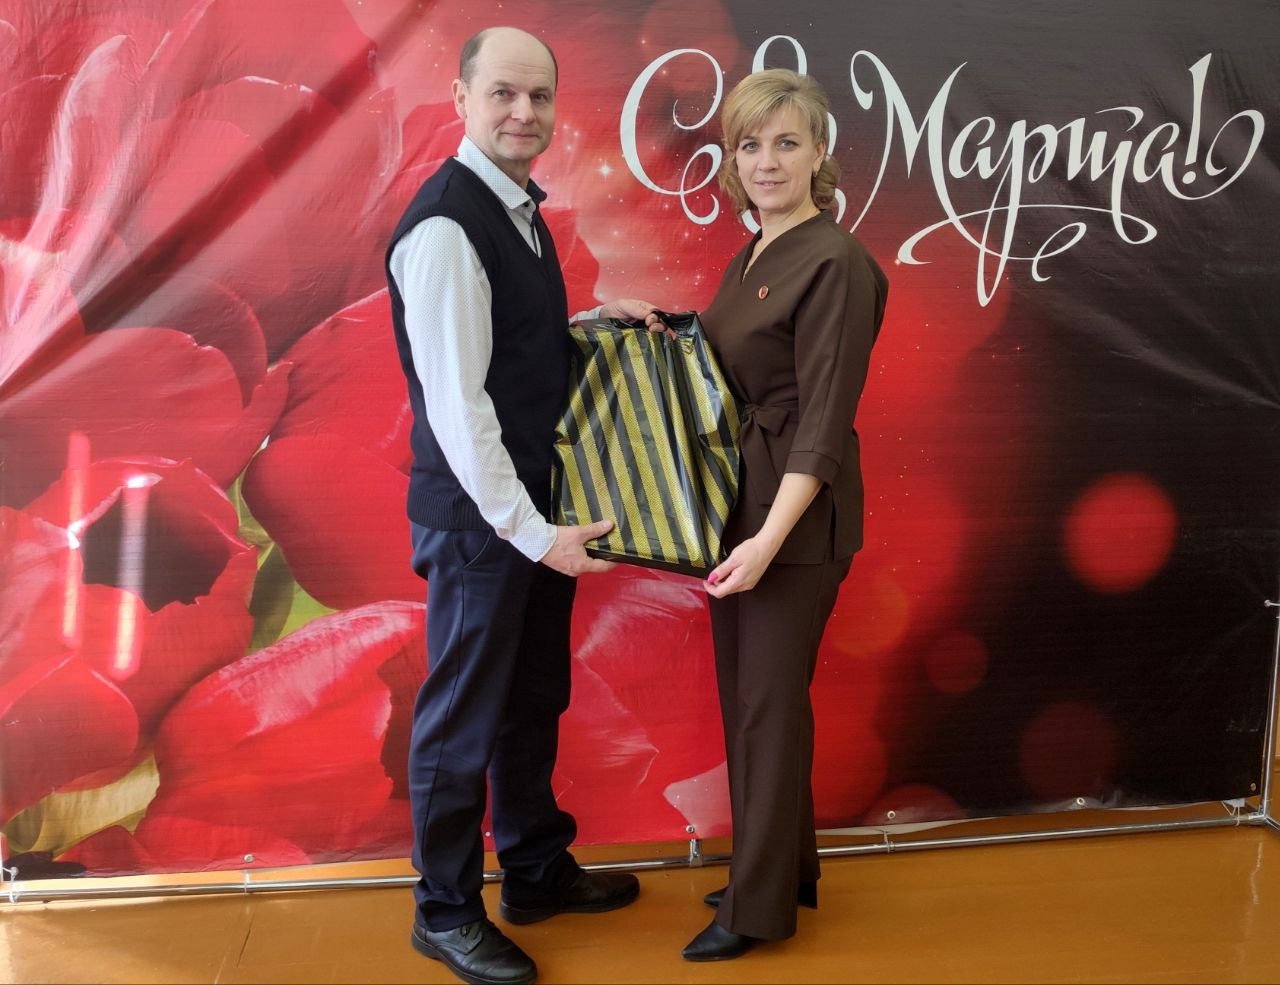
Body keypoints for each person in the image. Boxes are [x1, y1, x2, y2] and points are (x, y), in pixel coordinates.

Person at [384, 26, 656, 985]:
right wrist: (535, 535)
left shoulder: (518, 208)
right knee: (463, 719)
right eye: (502, 92)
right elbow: (460, 410)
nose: (523, 113)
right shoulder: (448, 225)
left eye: (538, 96)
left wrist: (586, 325)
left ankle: (535, 870)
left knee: (533, 697)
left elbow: (500, 344)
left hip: (531, 516)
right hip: (485, 525)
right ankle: (445, 912)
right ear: (461, 97)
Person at [674, 69, 890, 961]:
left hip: (794, 521)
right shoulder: (755, 250)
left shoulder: (836, 261)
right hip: (743, 505)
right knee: (756, 701)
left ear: (819, 153)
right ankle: (782, 868)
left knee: (766, 705)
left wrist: (768, 539)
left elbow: (823, 422)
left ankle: (756, 907)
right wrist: (658, 327)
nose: (766, 161)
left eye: (786, 142)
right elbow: (728, 363)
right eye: (750, 144)